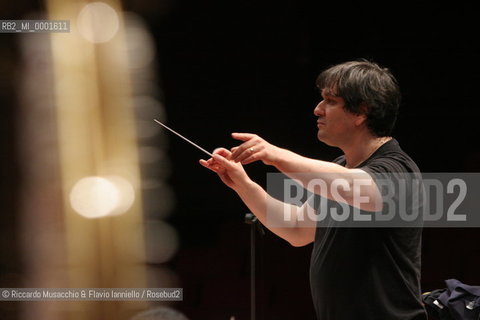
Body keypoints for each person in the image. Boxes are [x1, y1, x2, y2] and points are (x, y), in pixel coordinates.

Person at [200, 60, 427, 320]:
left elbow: (356, 187)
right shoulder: (339, 167)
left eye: (330, 101)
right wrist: (243, 184)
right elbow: (297, 229)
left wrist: (275, 155)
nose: (317, 109)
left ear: (361, 112)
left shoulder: (397, 169)